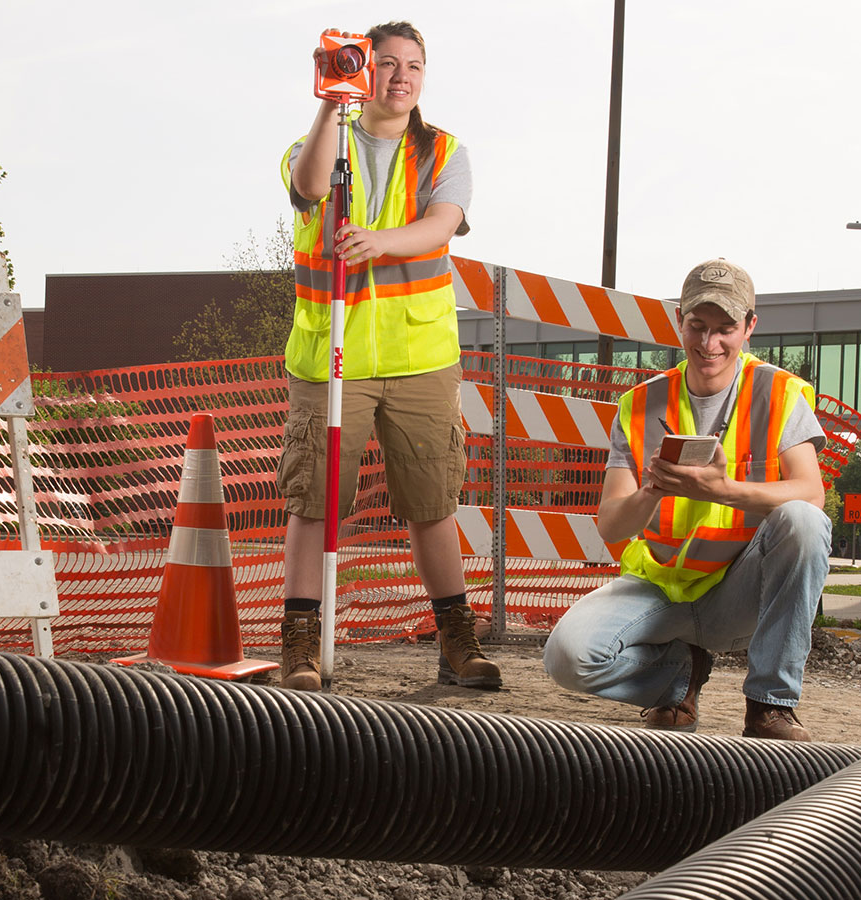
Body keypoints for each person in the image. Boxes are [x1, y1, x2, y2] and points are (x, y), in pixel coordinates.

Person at [275, 21, 497, 692]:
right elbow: (310, 188)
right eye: (387, 64)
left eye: (414, 66)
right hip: (330, 359)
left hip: (420, 359)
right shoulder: (315, 143)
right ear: (363, 72)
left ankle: (456, 640)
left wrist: (379, 241)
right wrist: (328, 103)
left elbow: (440, 224)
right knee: (313, 504)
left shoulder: (444, 151)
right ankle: (301, 645)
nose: (402, 76)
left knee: (433, 502)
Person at [542, 259, 831, 741]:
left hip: (740, 595)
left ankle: (769, 706)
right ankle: (680, 678)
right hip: (662, 588)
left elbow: (811, 495)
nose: (708, 344)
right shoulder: (640, 404)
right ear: (680, 320)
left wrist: (721, 490)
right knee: (568, 658)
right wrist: (653, 489)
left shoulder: (778, 393)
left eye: (725, 330)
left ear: (749, 328)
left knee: (803, 522)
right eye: (697, 326)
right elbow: (612, 525)